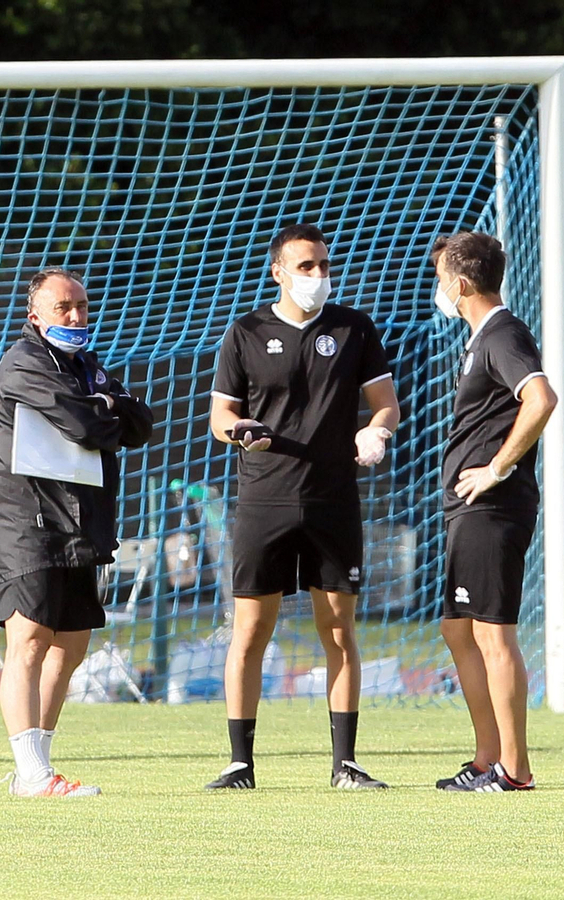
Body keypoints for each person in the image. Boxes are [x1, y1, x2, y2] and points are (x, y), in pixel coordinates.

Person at [205, 223, 401, 791]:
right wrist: (238, 431)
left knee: (338, 631)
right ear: (279, 273)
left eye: (322, 265)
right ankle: (240, 763)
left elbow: (384, 404)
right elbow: (220, 416)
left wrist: (376, 433)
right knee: (250, 631)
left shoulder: (353, 328)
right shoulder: (245, 331)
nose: (317, 276)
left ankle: (346, 764)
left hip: (332, 498)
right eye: (305, 266)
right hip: (263, 497)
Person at [0, 267, 154, 797]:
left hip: (81, 524)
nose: (76, 315)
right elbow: (84, 426)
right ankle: (30, 772)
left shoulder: (86, 367)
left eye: (82, 305)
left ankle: (38, 768)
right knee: (29, 641)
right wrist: (105, 414)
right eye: (64, 307)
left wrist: (106, 408)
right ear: (35, 315)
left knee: (72, 646)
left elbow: (141, 423)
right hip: (27, 521)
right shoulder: (23, 363)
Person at [429, 232, 556, 792]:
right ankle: (486, 757)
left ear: (458, 283)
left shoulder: (504, 333)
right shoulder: (479, 339)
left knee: (492, 635)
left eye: (439, 279)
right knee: (458, 630)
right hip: (468, 508)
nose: (439, 290)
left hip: (492, 506)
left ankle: (516, 769)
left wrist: (497, 468)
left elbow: (542, 398)